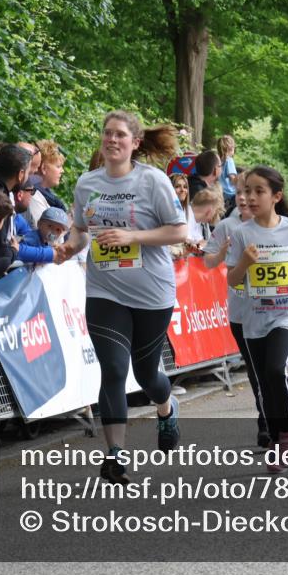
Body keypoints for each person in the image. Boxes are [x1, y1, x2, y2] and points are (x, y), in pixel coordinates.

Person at [59, 111, 188, 485]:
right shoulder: (87, 183)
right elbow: (82, 232)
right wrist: (70, 246)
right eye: (106, 134)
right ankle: (115, 456)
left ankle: (166, 408)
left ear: (134, 143)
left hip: (151, 292)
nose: (111, 140)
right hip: (105, 289)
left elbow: (179, 231)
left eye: (119, 135)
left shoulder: (153, 181)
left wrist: (133, 237)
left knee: (148, 375)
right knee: (114, 369)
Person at [226, 167, 288, 473]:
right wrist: (244, 262)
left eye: (258, 191)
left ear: (276, 196)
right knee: (264, 382)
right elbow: (233, 280)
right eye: (247, 191)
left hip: (287, 313)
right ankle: (278, 440)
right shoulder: (240, 233)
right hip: (254, 318)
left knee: (276, 369)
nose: (250, 197)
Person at [202, 169, 271, 448]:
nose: (244, 198)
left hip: (276, 311)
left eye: (251, 192)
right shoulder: (228, 227)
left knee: (274, 368)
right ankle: (265, 419)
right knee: (256, 370)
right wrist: (222, 254)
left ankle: (278, 418)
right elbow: (207, 261)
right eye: (240, 193)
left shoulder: (278, 225)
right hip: (242, 311)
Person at [217, 135, 238, 212]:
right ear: (231, 148)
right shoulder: (229, 160)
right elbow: (232, 178)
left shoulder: (218, 160)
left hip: (220, 192)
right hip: (230, 194)